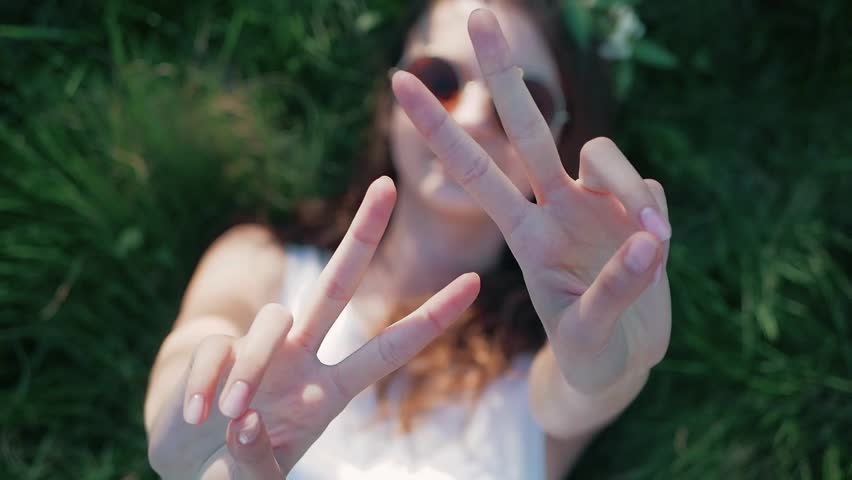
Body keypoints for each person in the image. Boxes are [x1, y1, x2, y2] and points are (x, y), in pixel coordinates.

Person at [143, 1, 672, 478]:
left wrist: (616, 349)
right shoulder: (260, 260)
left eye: (520, 101)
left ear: (563, 133)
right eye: (439, 78)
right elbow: (196, 343)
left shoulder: (543, 359)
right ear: (390, 94)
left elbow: (583, 387)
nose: (467, 117)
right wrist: (190, 415)